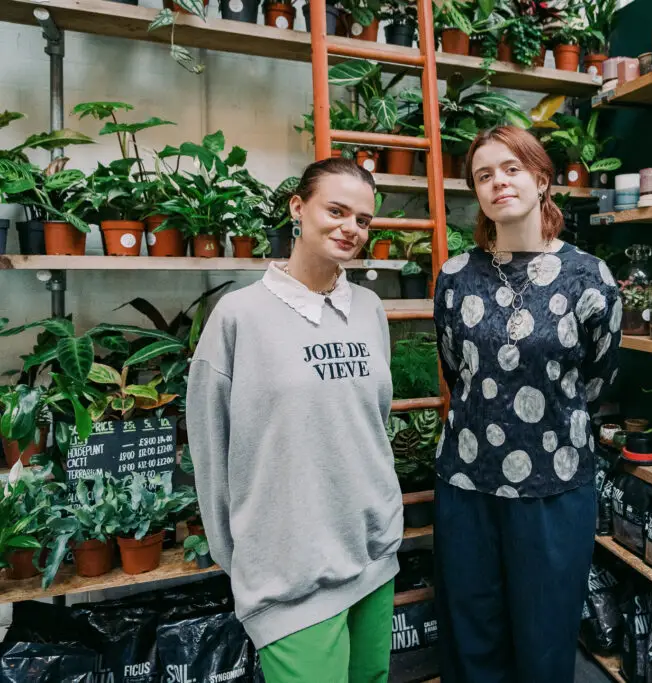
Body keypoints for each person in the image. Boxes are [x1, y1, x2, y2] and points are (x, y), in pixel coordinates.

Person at [186, 157, 402, 683]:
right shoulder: (240, 315)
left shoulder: (370, 308)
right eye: (336, 210)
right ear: (297, 208)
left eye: (363, 220)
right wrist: (243, 560)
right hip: (289, 572)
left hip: (372, 555)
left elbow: (373, 422)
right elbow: (210, 448)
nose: (351, 228)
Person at [432, 125, 623, 682]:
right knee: (471, 638)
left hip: (553, 487)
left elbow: (597, 377)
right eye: (484, 174)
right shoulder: (454, 277)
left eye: (511, 169)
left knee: (544, 641)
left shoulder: (589, 276)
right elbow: (456, 371)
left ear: (541, 179)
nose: (498, 183)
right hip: (466, 483)